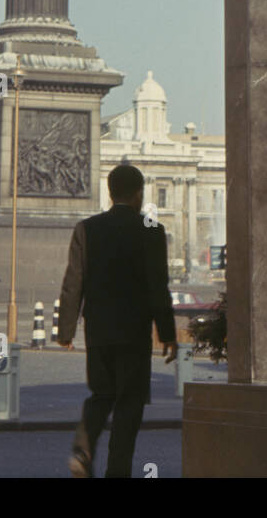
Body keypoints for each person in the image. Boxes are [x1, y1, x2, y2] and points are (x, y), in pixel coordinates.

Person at [57, 164, 178, 478]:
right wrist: (167, 333)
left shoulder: (86, 228)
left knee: (101, 395)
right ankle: (117, 471)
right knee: (129, 403)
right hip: (134, 333)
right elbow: (157, 286)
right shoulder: (152, 230)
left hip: (98, 331)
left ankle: (83, 447)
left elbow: (73, 283)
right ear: (139, 194)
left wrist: (65, 330)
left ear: (110, 193)